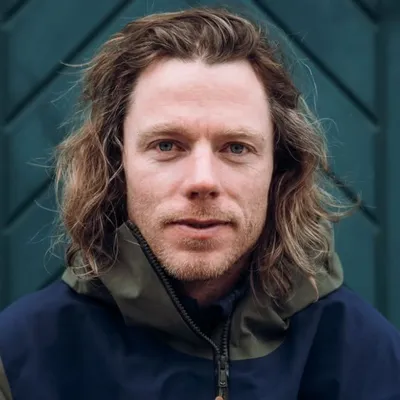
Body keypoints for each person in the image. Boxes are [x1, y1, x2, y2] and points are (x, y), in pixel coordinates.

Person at [1, 7, 399, 400]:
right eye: (167, 145)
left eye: (236, 147)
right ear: (116, 163)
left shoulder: (368, 359)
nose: (202, 180)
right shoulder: (19, 358)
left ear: (279, 167)